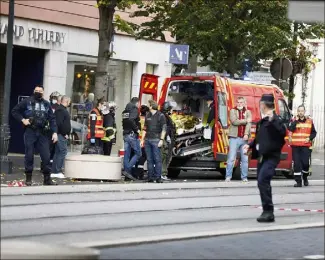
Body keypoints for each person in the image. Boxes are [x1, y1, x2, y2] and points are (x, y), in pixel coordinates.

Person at [243, 94, 286, 223]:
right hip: (262, 157)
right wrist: (249, 146)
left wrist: (273, 119)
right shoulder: (262, 121)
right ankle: (267, 211)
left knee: (263, 180)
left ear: (263, 105)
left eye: (260, 104)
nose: (259, 106)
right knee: (261, 182)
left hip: (271, 157)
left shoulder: (275, 119)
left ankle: (268, 211)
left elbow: (282, 132)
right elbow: (258, 138)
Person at [11, 85, 58, 186]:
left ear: (43, 92)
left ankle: (47, 179)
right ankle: (28, 178)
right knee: (29, 155)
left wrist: (54, 132)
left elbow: (52, 119)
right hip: (30, 131)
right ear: (33, 91)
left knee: (46, 156)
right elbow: (15, 111)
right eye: (36, 90)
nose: (38, 92)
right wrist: (23, 120)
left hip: (43, 132)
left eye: (40, 91)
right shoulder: (27, 101)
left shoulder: (46, 104)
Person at [288, 105, 317, 187]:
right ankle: (298, 182)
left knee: (305, 164)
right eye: (299, 111)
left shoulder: (309, 121)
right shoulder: (293, 120)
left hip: (305, 146)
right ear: (297, 112)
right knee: (297, 164)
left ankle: (305, 177)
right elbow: (290, 129)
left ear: (304, 112)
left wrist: (310, 138)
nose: (300, 112)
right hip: (296, 146)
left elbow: (314, 132)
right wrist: (295, 121)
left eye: (302, 111)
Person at [225, 97, 252, 182]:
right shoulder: (232, 111)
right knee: (231, 158)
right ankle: (228, 176)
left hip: (244, 139)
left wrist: (246, 134)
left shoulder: (248, 112)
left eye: (241, 102)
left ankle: (244, 177)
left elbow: (249, 124)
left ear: (244, 103)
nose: (239, 104)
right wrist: (245, 120)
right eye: (238, 102)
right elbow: (234, 121)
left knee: (245, 159)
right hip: (234, 138)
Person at [141, 100, 167, 183]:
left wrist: (161, 140)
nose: (148, 106)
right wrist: (142, 139)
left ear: (151, 106)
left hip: (156, 140)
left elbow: (164, 128)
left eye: (149, 104)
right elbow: (145, 128)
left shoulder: (161, 115)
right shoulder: (148, 114)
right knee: (149, 159)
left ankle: (158, 177)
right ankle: (150, 177)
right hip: (148, 140)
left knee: (157, 159)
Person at [51, 96, 71, 179]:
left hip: (60, 134)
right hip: (61, 135)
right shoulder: (61, 110)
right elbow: (59, 123)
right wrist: (64, 133)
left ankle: (55, 171)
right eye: (69, 102)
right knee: (62, 151)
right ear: (66, 101)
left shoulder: (61, 109)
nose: (69, 103)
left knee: (58, 152)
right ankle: (57, 170)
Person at [41, 91, 61, 171]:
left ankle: (48, 166)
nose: (55, 100)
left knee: (52, 150)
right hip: (47, 131)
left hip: (54, 131)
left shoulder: (57, 107)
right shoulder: (47, 105)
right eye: (54, 98)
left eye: (56, 98)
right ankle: (44, 166)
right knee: (47, 149)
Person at [122, 97, 142, 181]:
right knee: (138, 153)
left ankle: (127, 175)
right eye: (139, 103)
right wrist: (137, 129)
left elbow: (125, 121)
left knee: (127, 155)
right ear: (137, 103)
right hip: (132, 135)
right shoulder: (134, 109)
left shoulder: (125, 111)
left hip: (126, 134)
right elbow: (131, 120)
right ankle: (127, 170)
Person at [131, 104, 149, 180]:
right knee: (142, 158)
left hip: (135, 140)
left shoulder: (137, 119)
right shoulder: (148, 121)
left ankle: (134, 173)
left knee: (135, 157)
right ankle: (140, 174)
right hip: (143, 141)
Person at [161, 101, 176, 181]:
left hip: (167, 138)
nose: (172, 111)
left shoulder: (164, 115)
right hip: (167, 139)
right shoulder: (165, 117)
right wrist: (167, 137)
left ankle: (162, 173)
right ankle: (163, 174)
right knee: (166, 156)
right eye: (171, 109)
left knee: (166, 156)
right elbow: (166, 127)